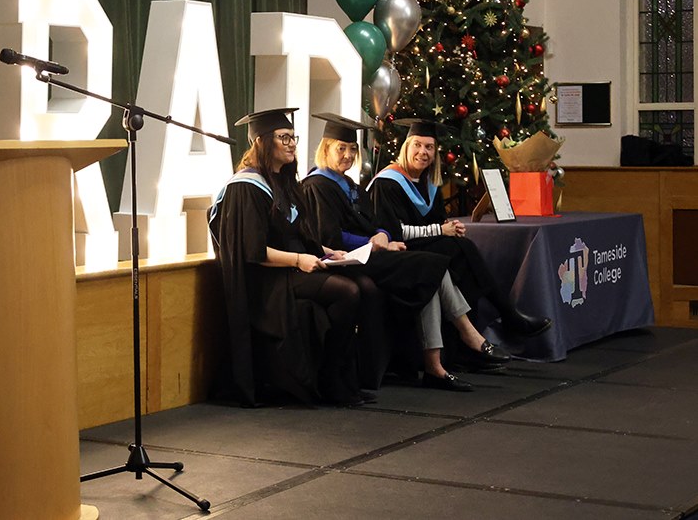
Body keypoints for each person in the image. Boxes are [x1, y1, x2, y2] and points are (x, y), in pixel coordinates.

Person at [302, 113, 510, 391]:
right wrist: (373, 242)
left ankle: (437, 363)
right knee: (430, 266)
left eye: (352, 149)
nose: (348, 155)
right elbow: (328, 237)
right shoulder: (317, 185)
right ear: (325, 149)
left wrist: (383, 236)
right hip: (346, 260)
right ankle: (464, 338)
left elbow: (379, 224)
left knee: (431, 268)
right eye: (341, 148)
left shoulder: (350, 185)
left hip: (370, 252)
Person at [208, 108, 370, 407]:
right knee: (347, 292)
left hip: (291, 271)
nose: (291, 144)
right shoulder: (245, 187)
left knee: (360, 283)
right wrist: (298, 260)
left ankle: (338, 377)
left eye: (292, 137)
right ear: (261, 142)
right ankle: (331, 380)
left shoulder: (281, 182)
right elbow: (251, 251)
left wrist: (324, 251)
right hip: (266, 280)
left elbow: (294, 231)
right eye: (283, 137)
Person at [368, 120, 552, 351]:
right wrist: (440, 230)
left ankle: (469, 345)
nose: (423, 153)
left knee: (461, 251)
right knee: (460, 250)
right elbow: (393, 232)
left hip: (421, 247)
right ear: (406, 147)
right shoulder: (388, 182)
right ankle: (506, 317)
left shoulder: (428, 184)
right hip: (399, 252)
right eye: (417, 145)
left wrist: (448, 226)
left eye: (429, 147)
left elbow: (435, 222)